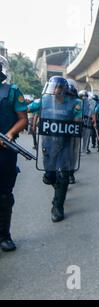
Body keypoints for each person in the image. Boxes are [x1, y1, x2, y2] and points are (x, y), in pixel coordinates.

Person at [39, 76, 82, 223]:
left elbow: (78, 121)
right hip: (48, 144)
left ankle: (57, 206)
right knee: (49, 176)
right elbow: (27, 109)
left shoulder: (74, 104)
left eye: (59, 87)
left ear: (64, 89)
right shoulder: (44, 101)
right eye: (54, 86)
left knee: (63, 176)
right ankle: (57, 186)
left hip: (65, 144)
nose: (57, 89)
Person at [0, 55, 28, 251]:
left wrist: (9, 134)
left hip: (5, 150)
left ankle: (4, 235)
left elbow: (23, 119)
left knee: (4, 195)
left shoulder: (12, 91)